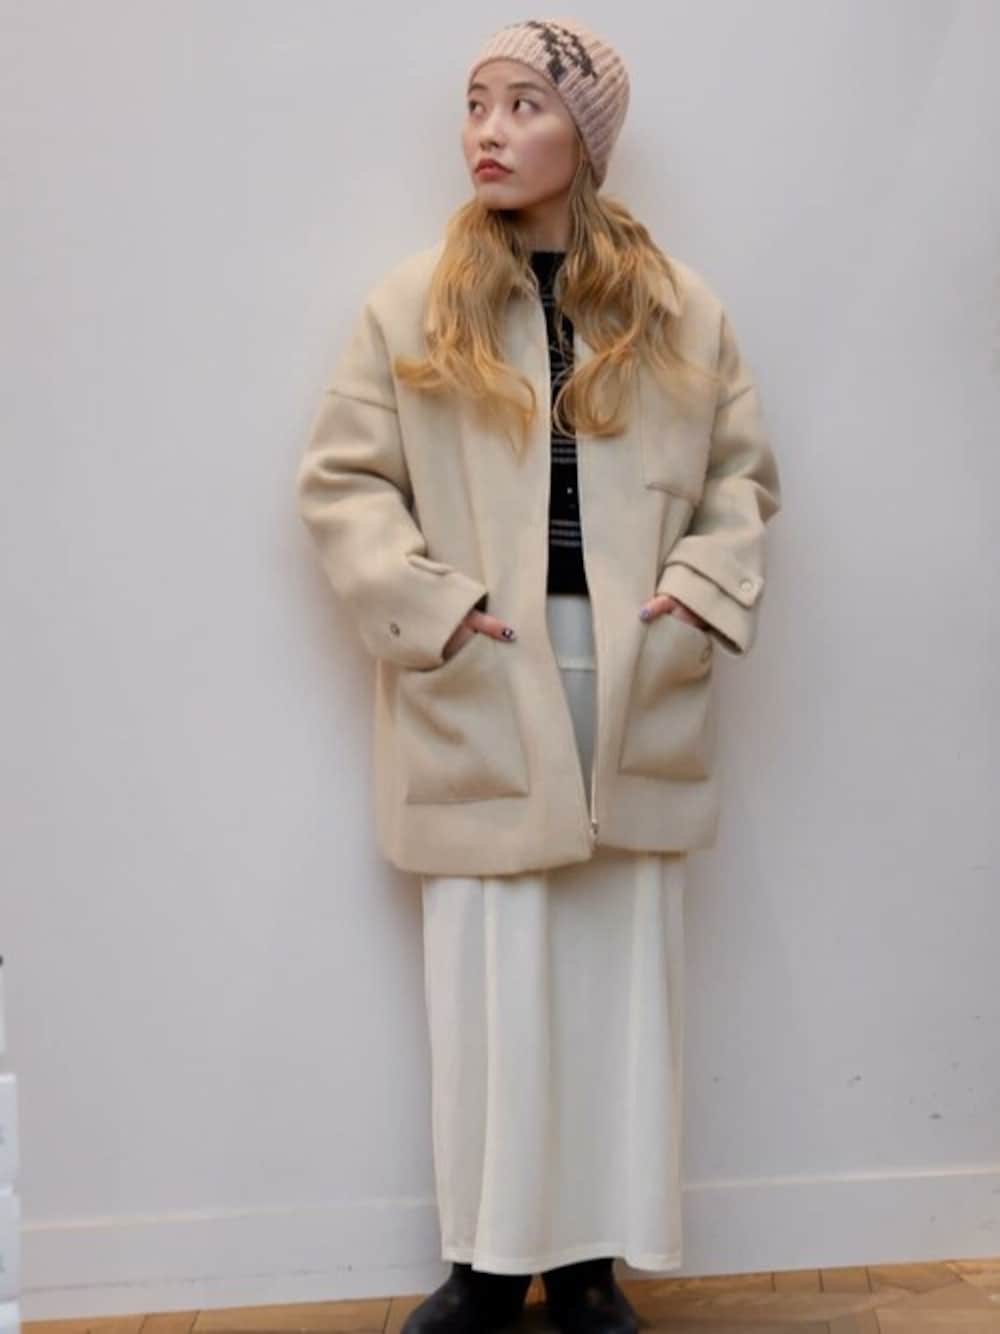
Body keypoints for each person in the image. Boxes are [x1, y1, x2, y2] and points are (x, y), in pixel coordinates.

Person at [295, 17, 782, 1334]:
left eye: (524, 105)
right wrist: (440, 613)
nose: (490, 131)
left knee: (618, 987)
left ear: (588, 135)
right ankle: (486, 1262)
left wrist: (695, 597)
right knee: (487, 986)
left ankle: (588, 1265)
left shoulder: (679, 309)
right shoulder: (413, 305)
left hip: (631, 681)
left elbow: (742, 483)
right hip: (483, 678)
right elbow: (342, 485)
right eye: (477, 104)